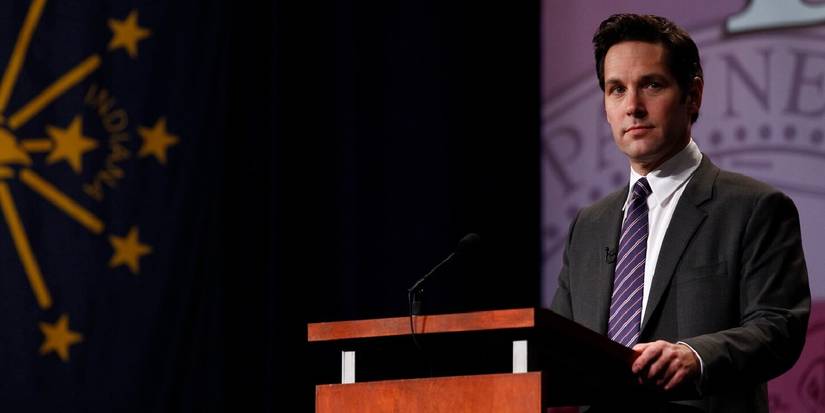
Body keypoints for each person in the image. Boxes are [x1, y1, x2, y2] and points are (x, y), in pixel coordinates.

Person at [550, 14, 810, 412]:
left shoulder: (754, 208)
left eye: (652, 85)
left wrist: (697, 356)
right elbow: (557, 349)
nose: (633, 107)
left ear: (693, 95)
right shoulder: (588, 226)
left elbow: (779, 327)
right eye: (617, 90)